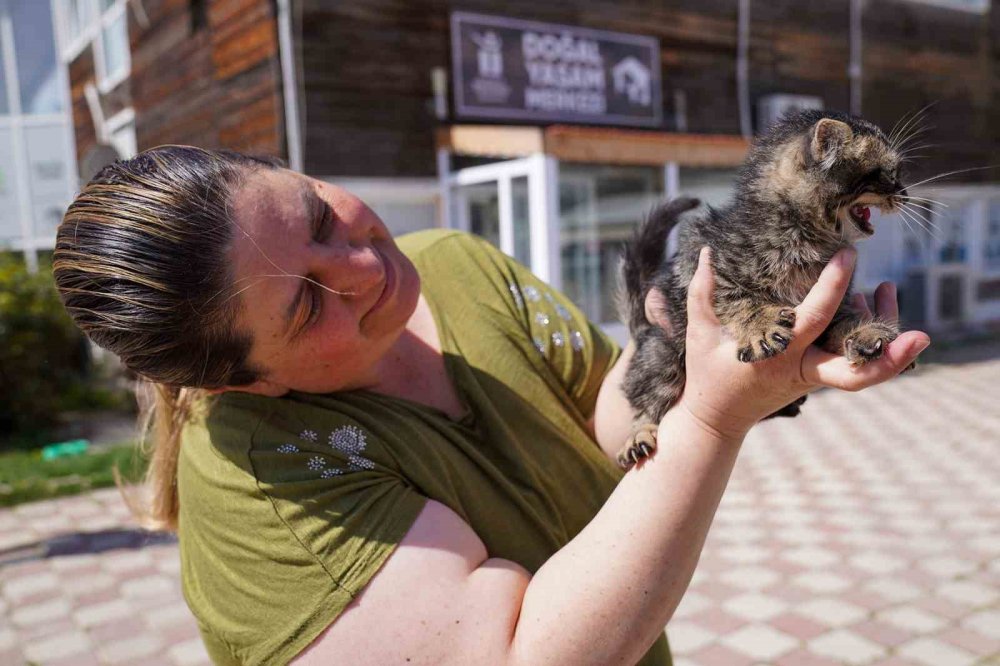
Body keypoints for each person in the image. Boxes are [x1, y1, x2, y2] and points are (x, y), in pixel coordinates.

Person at [53, 146, 929, 666]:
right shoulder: (262, 488)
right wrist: (711, 420)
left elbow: (605, 419)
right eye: (308, 302)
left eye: (319, 216)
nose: (365, 267)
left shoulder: (457, 265)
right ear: (240, 382)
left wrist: (712, 363)